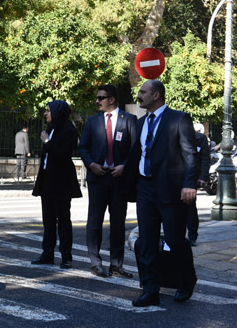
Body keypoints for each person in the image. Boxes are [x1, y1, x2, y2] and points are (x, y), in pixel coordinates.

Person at [125, 80, 197, 307]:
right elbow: (136, 154)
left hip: (171, 189)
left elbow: (190, 155)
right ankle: (150, 289)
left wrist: (189, 184)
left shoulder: (179, 119)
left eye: (143, 92)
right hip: (145, 188)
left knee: (175, 241)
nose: (139, 96)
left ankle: (187, 280)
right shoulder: (140, 122)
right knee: (147, 241)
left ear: (156, 95)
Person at [78, 84, 137, 278]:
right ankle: (95, 263)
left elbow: (135, 149)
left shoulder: (129, 119)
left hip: (118, 179)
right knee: (94, 222)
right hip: (98, 178)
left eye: (100, 98)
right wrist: (91, 164)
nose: (97, 101)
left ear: (111, 99)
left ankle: (116, 264)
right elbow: (83, 147)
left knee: (118, 223)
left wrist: (124, 167)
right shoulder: (92, 121)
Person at [31, 100, 82, 268]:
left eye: (48, 111)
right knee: (48, 220)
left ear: (57, 112)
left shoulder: (69, 130)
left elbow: (63, 155)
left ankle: (66, 256)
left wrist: (47, 142)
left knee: (64, 220)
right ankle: (47, 254)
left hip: (61, 182)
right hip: (47, 181)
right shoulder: (52, 128)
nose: (45, 113)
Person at [187, 123, 211, 246]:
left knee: (190, 206)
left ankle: (192, 235)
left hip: (192, 177)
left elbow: (205, 159)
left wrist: (203, 177)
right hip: (176, 176)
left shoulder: (200, 138)